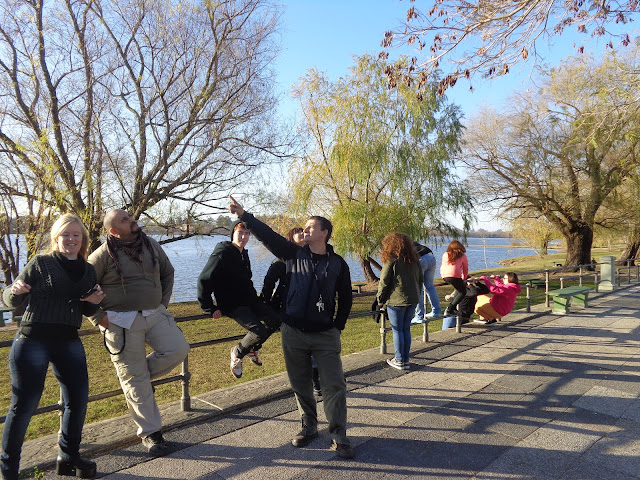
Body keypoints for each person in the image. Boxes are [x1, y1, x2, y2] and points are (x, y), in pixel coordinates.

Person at [228, 195, 355, 459]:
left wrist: (337, 326)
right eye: (304, 227)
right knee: (300, 384)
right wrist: (245, 216)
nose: (304, 230)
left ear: (325, 233)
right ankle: (309, 427)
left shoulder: (338, 263)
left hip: (324, 335)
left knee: (334, 386)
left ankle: (339, 436)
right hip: (294, 332)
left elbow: (345, 298)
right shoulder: (293, 254)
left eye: (310, 227)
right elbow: (268, 235)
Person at [1, 214, 105, 480]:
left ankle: (69, 456)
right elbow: (9, 300)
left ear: (83, 239)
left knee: (78, 400)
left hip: (68, 340)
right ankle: (8, 469)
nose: (71, 239)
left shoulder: (88, 268)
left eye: (76, 235)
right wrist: (15, 290)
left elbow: (87, 308)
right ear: (56, 237)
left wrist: (95, 301)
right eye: (66, 234)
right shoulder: (41, 263)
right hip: (32, 340)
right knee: (24, 405)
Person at [87, 210, 190, 457]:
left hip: (155, 314)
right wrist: (97, 317)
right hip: (120, 322)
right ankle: (151, 433)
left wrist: (163, 303)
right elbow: (84, 288)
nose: (132, 220)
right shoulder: (101, 255)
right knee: (134, 379)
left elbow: (168, 272)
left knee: (179, 349)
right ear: (113, 231)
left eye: (130, 217)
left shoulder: (150, 244)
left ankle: (138, 380)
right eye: (124, 220)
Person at [197, 220, 282, 379]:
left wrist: (258, 299)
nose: (243, 237)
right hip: (232, 303)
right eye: (239, 233)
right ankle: (238, 352)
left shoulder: (243, 254)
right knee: (259, 330)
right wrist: (209, 307)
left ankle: (252, 348)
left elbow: (246, 280)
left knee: (276, 321)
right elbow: (204, 279)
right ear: (232, 234)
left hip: (250, 300)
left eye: (246, 233)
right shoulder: (222, 253)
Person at [261, 227, 322, 396]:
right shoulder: (281, 260)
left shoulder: (311, 257)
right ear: (290, 238)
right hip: (287, 311)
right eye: (298, 232)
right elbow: (269, 283)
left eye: (304, 231)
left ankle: (319, 378)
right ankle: (315, 381)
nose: (303, 233)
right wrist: (264, 304)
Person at [376, 233, 422, 371]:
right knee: (406, 329)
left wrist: (380, 299)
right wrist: (417, 295)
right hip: (412, 298)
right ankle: (405, 359)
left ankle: (399, 360)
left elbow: (384, 281)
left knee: (397, 330)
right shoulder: (415, 260)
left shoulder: (392, 259)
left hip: (396, 299)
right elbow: (421, 279)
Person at [411, 242, 442, 324]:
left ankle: (419, 316)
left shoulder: (400, 245)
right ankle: (436, 311)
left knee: (418, 288)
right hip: (431, 256)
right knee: (429, 286)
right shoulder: (412, 242)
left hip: (420, 259)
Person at [440, 240, 469, 317]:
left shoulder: (445, 254)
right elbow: (465, 269)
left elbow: (443, 265)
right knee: (462, 292)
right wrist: (464, 279)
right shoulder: (462, 256)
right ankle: (449, 310)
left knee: (458, 290)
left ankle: (453, 309)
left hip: (444, 276)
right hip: (455, 276)